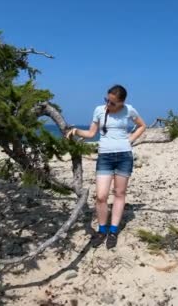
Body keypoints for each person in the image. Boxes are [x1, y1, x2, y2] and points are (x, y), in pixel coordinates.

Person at [66, 85, 146, 249]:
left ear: (122, 102)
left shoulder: (129, 110)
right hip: (105, 157)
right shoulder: (99, 111)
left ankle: (114, 230)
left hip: (124, 156)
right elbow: (91, 133)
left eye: (112, 103)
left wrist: (130, 139)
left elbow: (142, 125)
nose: (108, 105)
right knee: (101, 196)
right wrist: (75, 131)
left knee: (119, 193)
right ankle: (102, 230)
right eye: (107, 100)